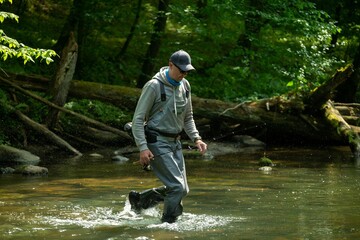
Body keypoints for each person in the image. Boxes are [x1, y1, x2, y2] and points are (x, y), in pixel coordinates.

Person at [129, 49, 207, 223]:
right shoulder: (153, 86)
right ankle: (168, 223)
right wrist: (143, 148)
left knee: (182, 189)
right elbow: (138, 119)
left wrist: (196, 138)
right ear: (170, 65)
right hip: (156, 142)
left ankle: (141, 201)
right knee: (177, 187)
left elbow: (188, 117)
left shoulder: (185, 86)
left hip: (175, 143)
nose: (184, 74)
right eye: (181, 70)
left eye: (187, 71)